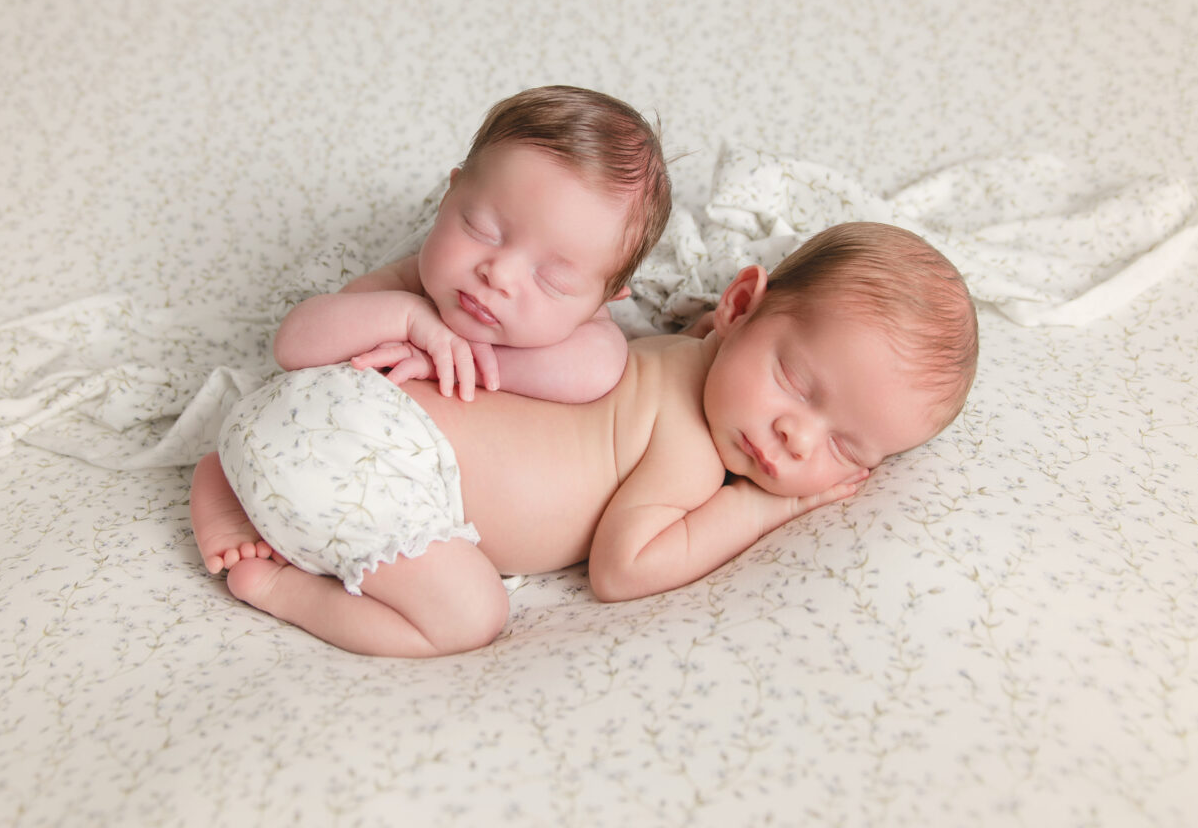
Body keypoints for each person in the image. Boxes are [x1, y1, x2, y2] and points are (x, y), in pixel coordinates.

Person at [190, 221, 979, 657]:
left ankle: (230, 475)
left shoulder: (669, 350)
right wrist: (762, 513)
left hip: (327, 407)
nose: (796, 439)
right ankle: (284, 587)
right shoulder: (692, 448)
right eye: (799, 385)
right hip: (384, 469)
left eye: (847, 450)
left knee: (294, 450)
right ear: (738, 304)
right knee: (470, 618)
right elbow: (623, 568)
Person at [273, 85, 670, 405]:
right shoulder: (412, 283)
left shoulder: (585, 334)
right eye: (482, 230)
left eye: (553, 281)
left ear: (603, 300)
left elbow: (598, 370)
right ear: (448, 198)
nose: (499, 274)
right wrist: (409, 318)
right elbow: (294, 344)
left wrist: (448, 362)